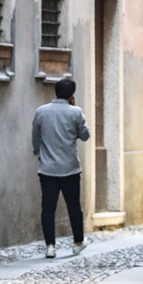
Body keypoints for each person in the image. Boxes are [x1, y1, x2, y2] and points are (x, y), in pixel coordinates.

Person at [32, 78, 90, 259]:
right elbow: (85, 135)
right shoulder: (76, 112)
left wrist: (38, 153)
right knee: (74, 206)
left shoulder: (41, 112)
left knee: (48, 208)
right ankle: (78, 242)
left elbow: (35, 136)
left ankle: (50, 246)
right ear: (72, 95)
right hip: (70, 169)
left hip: (47, 169)